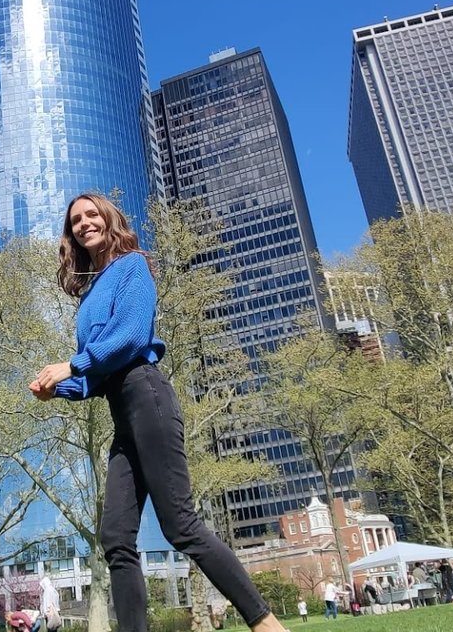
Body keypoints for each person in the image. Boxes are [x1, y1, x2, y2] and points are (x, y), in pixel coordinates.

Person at [29, 194, 289, 632]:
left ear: (109, 220)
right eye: (76, 220)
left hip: (147, 396)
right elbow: (99, 373)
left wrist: (70, 365)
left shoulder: (132, 266)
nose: (84, 223)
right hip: (122, 412)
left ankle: (265, 624)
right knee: (115, 538)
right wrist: (58, 389)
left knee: (180, 525)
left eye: (92, 215)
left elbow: (130, 338)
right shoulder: (90, 292)